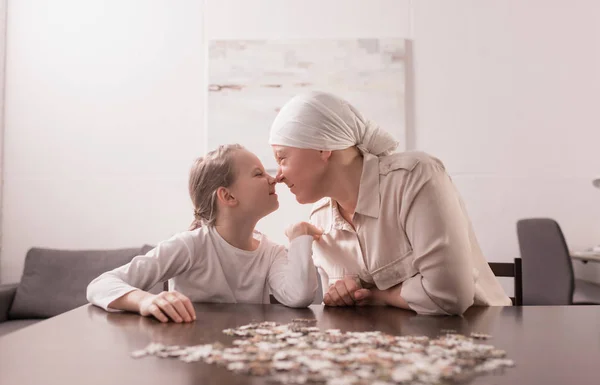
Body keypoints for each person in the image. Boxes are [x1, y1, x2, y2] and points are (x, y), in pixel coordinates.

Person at [268, 91, 511, 315]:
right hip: (392, 351)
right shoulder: (320, 221)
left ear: (323, 148)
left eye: (282, 158)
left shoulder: (416, 177)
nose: (278, 175)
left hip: (480, 334)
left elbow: (450, 295)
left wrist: (379, 296)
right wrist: (342, 297)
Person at [87, 144, 322, 323]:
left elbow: (298, 297)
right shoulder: (191, 245)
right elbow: (100, 285)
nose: (275, 179)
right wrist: (146, 300)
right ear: (228, 196)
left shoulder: (271, 252)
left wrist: (300, 237)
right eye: (259, 174)